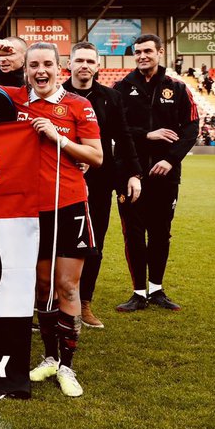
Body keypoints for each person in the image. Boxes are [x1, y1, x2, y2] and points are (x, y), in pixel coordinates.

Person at [1, 42, 103, 398]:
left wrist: (59, 138)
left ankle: (68, 367)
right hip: (31, 209)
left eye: (47, 64)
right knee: (42, 288)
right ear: (25, 70)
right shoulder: (15, 102)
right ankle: (48, 356)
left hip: (70, 204)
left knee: (68, 287)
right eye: (33, 65)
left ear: (60, 68)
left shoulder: (79, 105)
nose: (40, 71)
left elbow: (96, 156)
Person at [113, 34, 198, 312]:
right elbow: (116, 130)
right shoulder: (122, 89)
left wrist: (171, 160)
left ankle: (157, 290)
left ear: (160, 52)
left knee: (161, 233)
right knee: (134, 234)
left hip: (166, 175)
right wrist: (147, 135)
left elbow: (191, 129)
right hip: (130, 174)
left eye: (148, 51)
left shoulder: (177, 87)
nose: (142, 56)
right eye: (137, 52)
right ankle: (138, 292)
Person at [63, 41, 143, 329]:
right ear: (68, 64)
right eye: (79, 60)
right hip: (59, 180)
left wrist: (134, 173)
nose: (84, 65)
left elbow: (123, 137)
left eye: (90, 61)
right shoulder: (54, 94)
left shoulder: (111, 97)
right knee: (57, 244)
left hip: (99, 182)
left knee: (93, 244)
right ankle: (53, 304)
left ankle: (85, 303)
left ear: (97, 66)